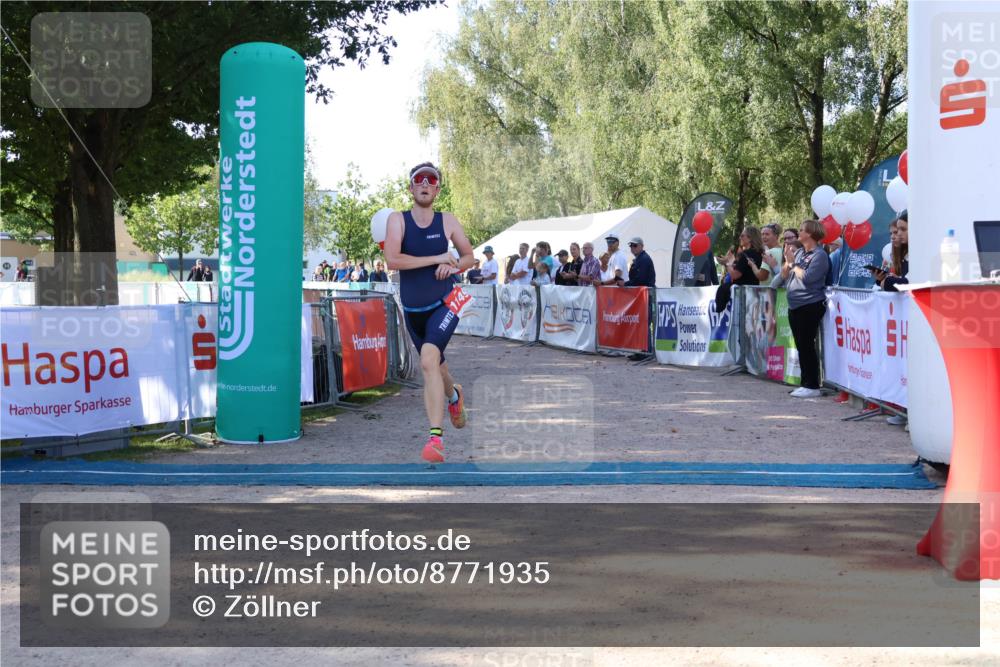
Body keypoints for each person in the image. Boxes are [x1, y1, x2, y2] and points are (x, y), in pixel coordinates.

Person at [384, 162, 473, 463]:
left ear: (437, 189)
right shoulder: (398, 220)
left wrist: (453, 265)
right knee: (439, 368)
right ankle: (454, 396)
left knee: (427, 360)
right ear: (410, 187)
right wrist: (436, 257)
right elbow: (393, 259)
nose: (424, 183)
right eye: (418, 179)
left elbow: (469, 256)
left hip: (447, 302)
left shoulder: (447, 220)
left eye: (431, 180)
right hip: (413, 310)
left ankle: (435, 440)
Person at [780, 219, 831, 398]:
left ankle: (812, 384)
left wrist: (794, 264)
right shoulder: (800, 252)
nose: (799, 233)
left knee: (807, 344)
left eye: (801, 230)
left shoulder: (820, 255)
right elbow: (785, 276)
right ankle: (805, 382)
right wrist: (787, 262)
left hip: (810, 304)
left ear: (810, 233)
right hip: (795, 305)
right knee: (801, 345)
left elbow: (808, 278)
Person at [874, 211, 908, 292]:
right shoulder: (897, 255)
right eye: (891, 233)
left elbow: (909, 283)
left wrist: (887, 281)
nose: (893, 236)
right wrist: (882, 279)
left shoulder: (917, 254)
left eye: (895, 232)